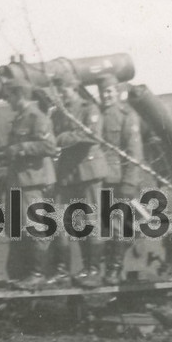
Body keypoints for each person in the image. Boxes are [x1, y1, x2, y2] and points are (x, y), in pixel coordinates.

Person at [0, 76, 57, 290]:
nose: (7, 101)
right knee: (19, 227)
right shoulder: (20, 118)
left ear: (19, 95)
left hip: (32, 182)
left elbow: (49, 147)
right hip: (18, 181)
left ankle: (37, 273)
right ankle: (26, 273)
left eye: (9, 96)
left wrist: (22, 148)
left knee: (35, 226)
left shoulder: (36, 117)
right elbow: (12, 150)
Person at [49, 70, 108, 288]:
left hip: (88, 171)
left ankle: (93, 270)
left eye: (63, 90)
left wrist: (62, 139)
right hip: (68, 173)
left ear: (73, 88)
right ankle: (65, 271)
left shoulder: (89, 108)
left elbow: (91, 135)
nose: (60, 95)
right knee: (67, 221)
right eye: (58, 91)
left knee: (91, 221)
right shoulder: (57, 114)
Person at [97, 73, 143, 285]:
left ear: (117, 92)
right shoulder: (97, 115)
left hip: (119, 180)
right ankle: (106, 267)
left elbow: (134, 152)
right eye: (102, 92)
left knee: (119, 225)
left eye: (109, 92)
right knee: (104, 224)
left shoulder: (127, 116)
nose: (105, 96)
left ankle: (115, 269)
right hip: (100, 177)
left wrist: (129, 182)